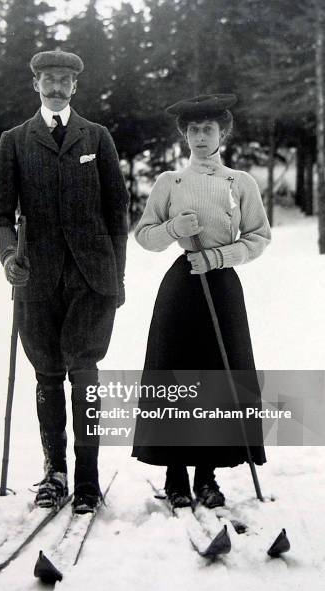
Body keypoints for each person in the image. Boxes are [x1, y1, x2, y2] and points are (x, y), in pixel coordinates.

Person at [0, 50, 128, 514]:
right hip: (37, 280)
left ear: (75, 86)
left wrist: (116, 277)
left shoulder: (98, 138)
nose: (56, 87)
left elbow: (116, 213)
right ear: (35, 84)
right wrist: (9, 256)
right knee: (47, 375)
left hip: (91, 279)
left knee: (85, 376)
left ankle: (87, 480)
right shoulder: (14, 140)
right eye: (48, 79)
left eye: (64, 79)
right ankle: (55, 474)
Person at [132, 94, 271, 509]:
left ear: (223, 133)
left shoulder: (240, 182)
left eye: (208, 129)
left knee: (217, 377)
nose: (200, 137)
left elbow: (259, 237)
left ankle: (207, 477)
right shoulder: (169, 182)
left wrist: (219, 256)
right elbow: (144, 235)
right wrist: (174, 227)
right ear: (183, 135)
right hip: (182, 287)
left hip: (222, 286)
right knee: (176, 376)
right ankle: (175, 476)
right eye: (193, 130)